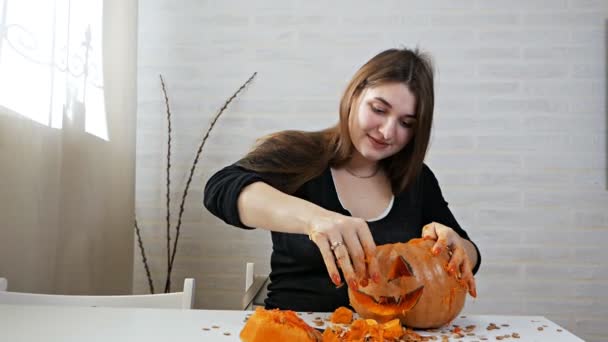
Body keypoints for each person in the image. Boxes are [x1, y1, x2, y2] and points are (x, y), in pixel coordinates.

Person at [204, 47, 481, 312]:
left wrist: (456, 245)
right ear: (355, 95)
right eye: (379, 109)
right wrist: (314, 219)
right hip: (296, 328)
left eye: (406, 123)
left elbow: (471, 253)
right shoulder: (297, 153)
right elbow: (221, 188)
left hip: (386, 334)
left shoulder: (417, 179)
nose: (387, 131)